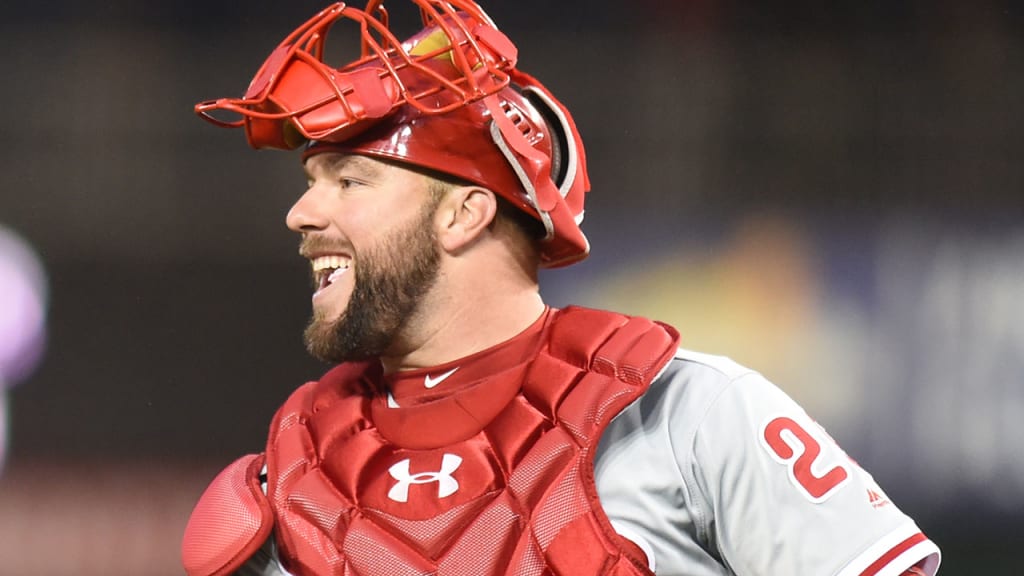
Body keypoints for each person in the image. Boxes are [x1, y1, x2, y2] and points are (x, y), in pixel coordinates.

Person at [182, 2, 941, 575]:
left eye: (349, 179)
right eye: (311, 181)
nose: (301, 213)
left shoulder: (686, 415)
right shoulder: (301, 473)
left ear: (465, 211)